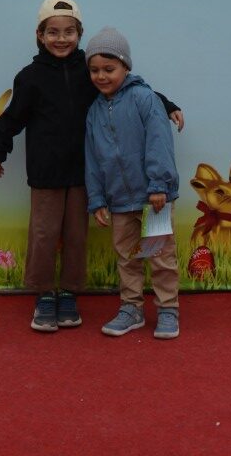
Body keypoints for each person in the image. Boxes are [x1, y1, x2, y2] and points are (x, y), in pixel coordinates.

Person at [0, 0, 183, 333]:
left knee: (83, 238)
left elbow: (134, 90)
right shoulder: (31, 77)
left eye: (69, 32)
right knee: (45, 235)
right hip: (50, 174)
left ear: (79, 34)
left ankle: (73, 293)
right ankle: (45, 293)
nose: (61, 38)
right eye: (53, 32)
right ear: (39, 35)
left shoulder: (89, 70)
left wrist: (164, 104)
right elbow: (13, 117)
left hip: (99, 179)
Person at [84, 26, 181, 340]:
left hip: (153, 198)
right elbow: (92, 158)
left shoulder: (144, 99)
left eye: (109, 69)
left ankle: (168, 309)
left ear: (125, 67)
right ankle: (131, 309)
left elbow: (159, 141)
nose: (101, 76)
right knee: (127, 257)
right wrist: (97, 199)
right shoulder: (93, 112)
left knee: (160, 255)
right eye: (95, 70)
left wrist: (159, 185)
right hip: (119, 202)